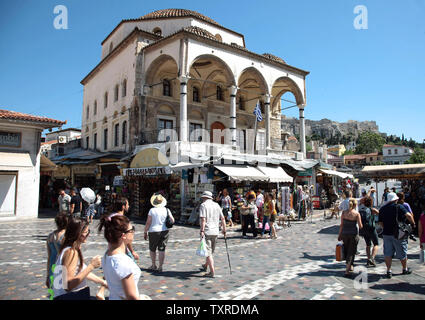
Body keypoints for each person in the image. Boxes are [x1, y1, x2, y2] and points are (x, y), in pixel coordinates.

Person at [52, 219, 107, 300]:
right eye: (86, 232)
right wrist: (91, 266)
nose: (88, 235)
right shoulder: (71, 252)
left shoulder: (67, 249)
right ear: (78, 233)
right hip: (68, 297)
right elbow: (68, 285)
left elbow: (81, 272)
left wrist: (103, 282)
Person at [99, 214, 150, 300]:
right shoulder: (123, 262)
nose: (133, 232)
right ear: (123, 236)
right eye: (132, 230)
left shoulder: (107, 254)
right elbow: (131, 296)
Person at [378, 192, 416, 279]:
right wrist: (413, 224)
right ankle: (404, 268)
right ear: (395, 199)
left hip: (386, 233)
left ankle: (389, 270)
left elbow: (380, 223)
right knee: (402, 252)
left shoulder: (382, 209)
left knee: (388, 253)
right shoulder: (399, 207)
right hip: (398, 233)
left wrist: (385, 227)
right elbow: (409, 215)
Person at [144, 194, 174, 273]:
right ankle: (160, 266)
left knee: (152, 249)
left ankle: (153, 265)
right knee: (162, 249)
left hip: (153, 231)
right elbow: (173, 220)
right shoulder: (166, 210)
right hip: (164, 231)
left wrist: (145, 231)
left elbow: (148, 222)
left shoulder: (152, 210)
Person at [199, 191, 226, 278]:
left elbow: (203, 220)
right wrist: (224, 229)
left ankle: (212, 272)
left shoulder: (203, 205)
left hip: (207, 231)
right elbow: (222, 218)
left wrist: (202, 231)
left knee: (208, 252)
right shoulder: (217, 205)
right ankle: (205, 265)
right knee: (210, 251)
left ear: (204, 197)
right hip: (215, 231)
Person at [108, 197, 139, 263]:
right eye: (127, 204)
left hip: (111, 247)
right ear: (123, 207)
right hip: (122, 248)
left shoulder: (111, 217)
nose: (128, 206)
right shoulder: (123, 220)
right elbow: (128, 238)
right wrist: (132, 251)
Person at [337, 198, 363, 278]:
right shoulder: (356, 214)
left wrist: (339, 234)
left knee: (347, 249)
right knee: (351, 252)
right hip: (353, 234)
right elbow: (360, 225)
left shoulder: (344, 213)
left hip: (345, 234)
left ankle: (349, 266)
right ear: (355, 205)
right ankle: (347, 270)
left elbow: (341, 225)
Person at [46, 213, 70, 290]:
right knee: (62, 292)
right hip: (62, 267)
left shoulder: (50, 236)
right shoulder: (66, 236)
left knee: (54, 293)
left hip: (52, 267)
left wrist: (47, 274)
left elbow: (49, 257)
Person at [359, 196, 379, 267]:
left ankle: (368, 259)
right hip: (371, 228)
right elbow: (379, 214)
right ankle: (372, 258)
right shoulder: (372, 209)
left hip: (364, 229)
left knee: (368, 244)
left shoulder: (361, 209)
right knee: (376, 244)